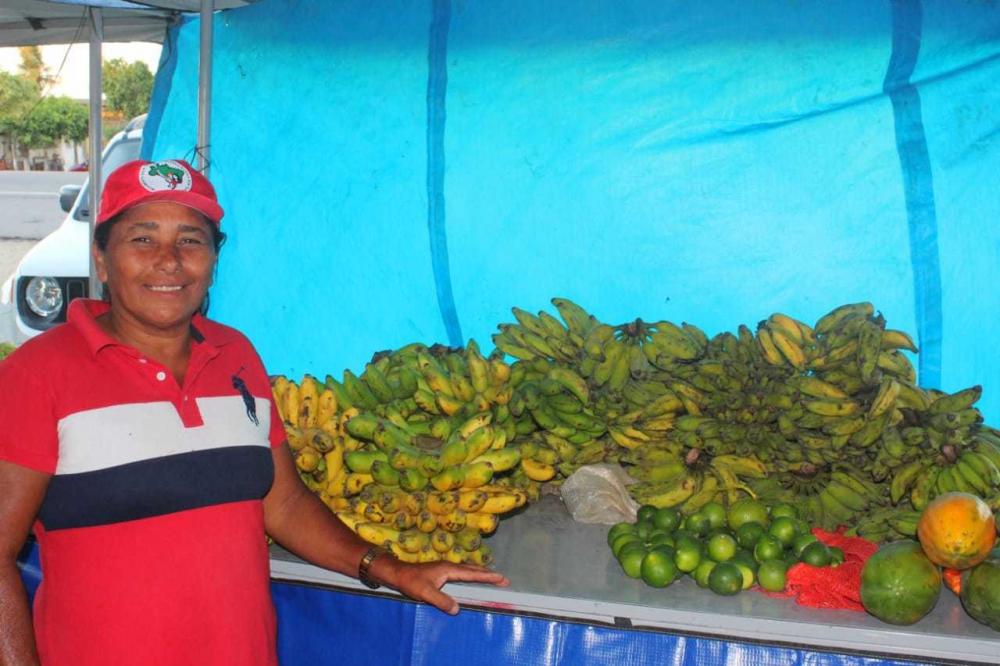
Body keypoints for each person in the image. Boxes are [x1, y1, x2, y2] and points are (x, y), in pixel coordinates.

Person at [0, 159, 509, 666]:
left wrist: (388, 567)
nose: (170, 261)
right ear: (102, 258)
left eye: (191, 240)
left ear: (214, 260)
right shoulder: (38, 374)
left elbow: (282, 503)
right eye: (142, 239)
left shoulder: (236, 354)